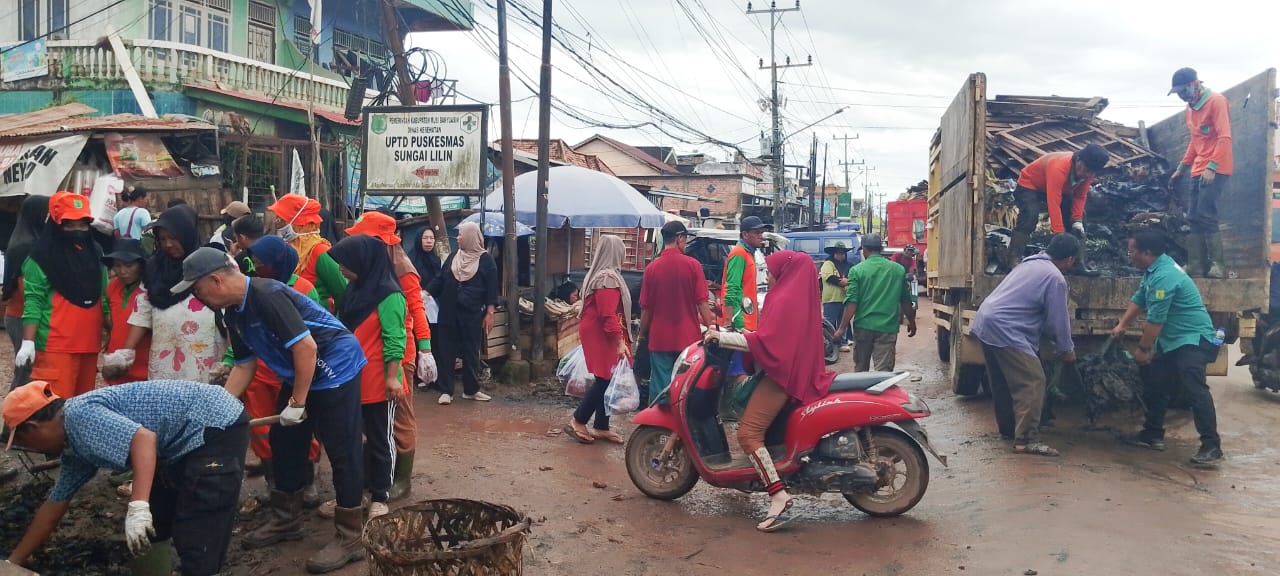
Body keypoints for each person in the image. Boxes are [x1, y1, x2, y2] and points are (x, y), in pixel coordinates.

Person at [178, 247, 368, 573]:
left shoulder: (267, 295)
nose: (197, 297)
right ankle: (287, 519)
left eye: (197, 290)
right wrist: (219, 408)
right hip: (301, 371)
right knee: (285, 442)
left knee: (342, 449)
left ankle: (351, 536)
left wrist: (297, 402)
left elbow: (307, 348)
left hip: (334, 367)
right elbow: (243, 365)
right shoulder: (232, 311)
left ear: (215, 280)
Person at [2, 380, 250, 575]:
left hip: (215, 425)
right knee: (154, 526)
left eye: (25, 442)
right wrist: (14, 563)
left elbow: (143, 439)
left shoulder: (79, 417)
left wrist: (138, 505)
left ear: (33, 427)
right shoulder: (74, 447)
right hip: (177, 443)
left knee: (199, 529)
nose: (32, 448)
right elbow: (54, 505)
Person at [703, 250, 836, 532]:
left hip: (782, 377)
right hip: (793, 372)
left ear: (785, 273)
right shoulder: (800, 298)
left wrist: (721, 337)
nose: (770, 277)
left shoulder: (784, 300)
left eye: (773, 272)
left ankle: (778, 494)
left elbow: (766, 342)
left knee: (748, 434)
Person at [217, 235, 323, 511]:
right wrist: (230, 360)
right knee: (263, 430)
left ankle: (308, 479)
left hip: (294, 371)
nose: (259, 265)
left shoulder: (302, 288)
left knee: (300, 426)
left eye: (264, 261)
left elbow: (313, 332)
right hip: (257, 371)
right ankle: (274, 482)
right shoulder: (245, 291)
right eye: (257, 260)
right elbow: (240, 335)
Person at [1111, 229, 1224, 468]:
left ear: (1147, 253)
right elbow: (1139, 298)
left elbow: (1156, 320)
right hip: (1174, 341)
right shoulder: (1154, 270)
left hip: (1192, 340)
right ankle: (1152, 434)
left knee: (1195, 390)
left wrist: (1143, 348)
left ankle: (1211, 446)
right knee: (1157, 384)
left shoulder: (1165, 277)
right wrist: (1122, 324)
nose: (1128, 255)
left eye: (1132, 251)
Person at [345, 212, 434, 500]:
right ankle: (379, 473)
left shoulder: (401, 268)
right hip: (369, 350)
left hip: (399, 352)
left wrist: (425, 349)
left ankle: (402, 479)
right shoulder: (368, 267)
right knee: (374, 418)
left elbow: (416, 308)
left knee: (400, 417)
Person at [971, 234, 1079, 456]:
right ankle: (1026, 439)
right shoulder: (1055, 278)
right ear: (1069, 259)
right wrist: (1066, 350)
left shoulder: (1029, 264)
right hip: (1007, 329)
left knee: (1002, 381)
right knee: (1033, 381)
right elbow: (1058, 320)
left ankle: (1009, 430)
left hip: (986, 321)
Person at [327, 235, 409, 518]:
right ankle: (354, 492)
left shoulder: (389, 294)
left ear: (363, 262)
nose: (340, 269)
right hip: (352, 378)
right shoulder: (354, 290)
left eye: (345, 264)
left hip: (379, 380)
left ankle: (380, 494)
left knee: (380, 438)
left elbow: (395, 338)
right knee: (351, 439)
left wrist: (392, 377)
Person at [102, 205, 225, 382]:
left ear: (187, 234)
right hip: (165, 358)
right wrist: (126, 352)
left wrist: (229, 360)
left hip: (204, 356)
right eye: (163, 239)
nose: (168, 244)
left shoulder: (212, 263)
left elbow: (229, 314)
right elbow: (142, 312)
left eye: (174, 238)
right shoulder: (155, 269)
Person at [17, 191, 109, 399]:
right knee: (55, 410)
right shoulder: (40, 257)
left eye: (83, 224)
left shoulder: (96, 253)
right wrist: (28, 341)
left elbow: (104, 296)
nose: (77, 230)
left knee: (83, 408)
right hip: (55, 347)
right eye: (70, 224)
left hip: (89, 344)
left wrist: (112, 334)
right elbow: (33, 300)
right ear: (57, 224)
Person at [1167, 67, 1233, 278]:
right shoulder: (1190, 109)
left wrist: (1212, 167)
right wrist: (1181, 168)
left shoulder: (1216, 101)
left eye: (1183, 91)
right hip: (1198, 169)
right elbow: (1195, 142)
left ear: (1194, 85)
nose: (1181, 96)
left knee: (1206, 214)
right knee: (1193, 216)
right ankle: (1197, 266)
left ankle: (1218, 267)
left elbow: (1224, 138)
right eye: (1177, 92)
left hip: (1216, 168)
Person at [638, 222, 715, 403]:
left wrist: (642, 334)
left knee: (660, 388)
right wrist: (711, 328)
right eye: (685, 239)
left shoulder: (651, 269)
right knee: (685, 386)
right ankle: (682, 427)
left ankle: (657, 427)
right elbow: (702, 302)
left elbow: (646, 308)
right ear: (680, 238)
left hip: (659, 338)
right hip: (688, 339)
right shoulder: (693, 265)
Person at [566, 235, 632, 444]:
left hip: (599, 330)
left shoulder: (601, 275)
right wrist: (619, 341)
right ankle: (578, 419)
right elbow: (607, 314)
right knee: (605, 378)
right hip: (601, 332)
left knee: (607, 377)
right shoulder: (607, 279)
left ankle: (601, 426)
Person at [1006, 144, 1109, 275]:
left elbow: (1080, 196)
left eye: (1090, 172)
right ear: (1078, 160)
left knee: (1080, 220)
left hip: (1062, 190)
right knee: (1030, 216)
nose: (1085, 174)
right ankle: (1014, 258)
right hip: (1030, 184)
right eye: (1084, 169)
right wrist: (1059, 234)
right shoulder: (1059, 167)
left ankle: (1078, 263)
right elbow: (1054, 202)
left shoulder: (1088, 174)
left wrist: (1077, 220)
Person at [426, 221, 498, 405]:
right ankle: (446, 390)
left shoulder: (485, 260)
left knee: (471, 351)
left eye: (461, 235)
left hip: (472, 314)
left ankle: (471, 390)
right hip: (448, 312)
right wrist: (425, 293)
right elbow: (440, 279)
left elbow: (491, 288)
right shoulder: (453, 257)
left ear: (470, 237)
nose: (457, 238)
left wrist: (490, 312)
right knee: (446, 352)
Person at [834, 234, 917, 372]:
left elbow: (852, 302)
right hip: (887, 327)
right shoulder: (898, 270)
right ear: (880, 248)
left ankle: (861, 392)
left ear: (865, 249)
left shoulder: (857, 270)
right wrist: (911, 321)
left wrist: (842, 328)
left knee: (861, 371)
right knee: (883, 373)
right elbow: (905, 300)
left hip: (863, 327)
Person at [4, 195, 49, 391]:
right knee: (26, 372)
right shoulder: (28, 245)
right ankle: (15, 418)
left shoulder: (23, 237)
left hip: (17, 314)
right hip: (22, 315)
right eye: (46, 213)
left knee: (26, 371)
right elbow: (26, 288)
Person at [268, 194, 346, 306]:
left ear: (298, 222)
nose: (277, 224)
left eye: (281, 219)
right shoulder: (286, 247)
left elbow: (342, 289)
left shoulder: (319, 251)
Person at [102, 239, 151, 385]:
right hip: (116, 360)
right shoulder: (112, 287)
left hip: (143, 363)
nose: (123, 271)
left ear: (140, 265)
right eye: (117, 266)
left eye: (129, 265)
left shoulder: (149, 289)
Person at [819, 241, 855, 352]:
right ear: (834, 254)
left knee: (842, 322)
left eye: (843, 253)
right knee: (829, 323)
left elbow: (853, 278)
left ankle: (842, 343)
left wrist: (847, 281)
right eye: (838, 253)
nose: (841, 255)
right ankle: (827, 343)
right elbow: (829, 278)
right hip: (831, 299)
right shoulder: (828, 264)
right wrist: (843, 281)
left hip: (844, 298)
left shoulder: (849, 265)